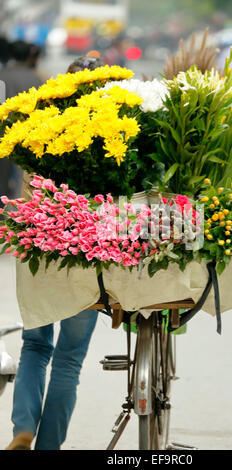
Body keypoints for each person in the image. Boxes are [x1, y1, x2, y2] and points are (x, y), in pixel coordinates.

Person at [5, 52, 103, 451]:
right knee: (68, 359)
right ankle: (49, 446)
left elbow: (26, 188)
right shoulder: (112, 132)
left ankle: (23, 428)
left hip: (39, 247)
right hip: (87, 252)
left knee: (35, 346)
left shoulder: (37, 129)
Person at [0, 41, 44, 207]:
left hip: (1, 133)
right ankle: (15, 210)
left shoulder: (2, 74)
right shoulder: (35, 78)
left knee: (1, 174)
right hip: (25, 134)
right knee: (22, 175)